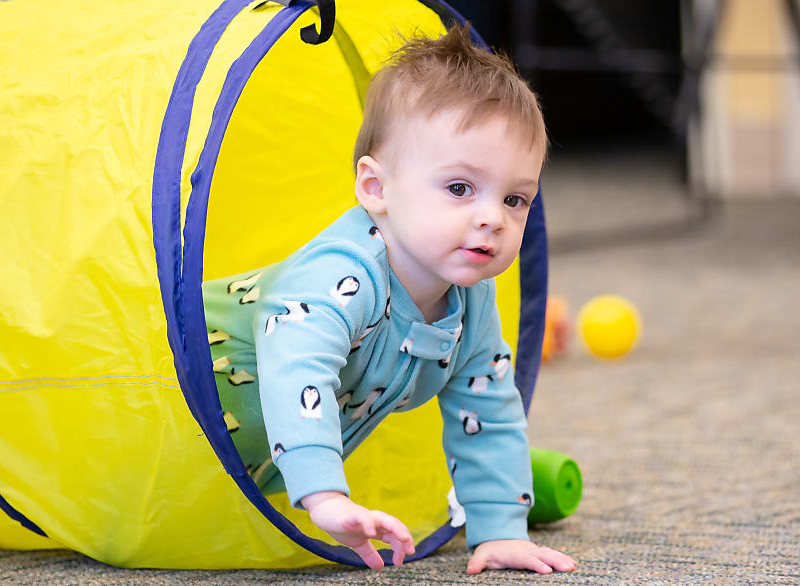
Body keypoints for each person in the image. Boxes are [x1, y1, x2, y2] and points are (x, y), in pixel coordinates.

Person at [201, 24, 575, 575]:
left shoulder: (470, 299)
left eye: (515, 198)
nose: (492, 218)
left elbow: (487, 409)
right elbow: (296, 370)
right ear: (376, 188)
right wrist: (325, 496)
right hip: (169, 375)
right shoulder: (341, 275)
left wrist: (499, 532)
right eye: (459, 188)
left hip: (238, 461)